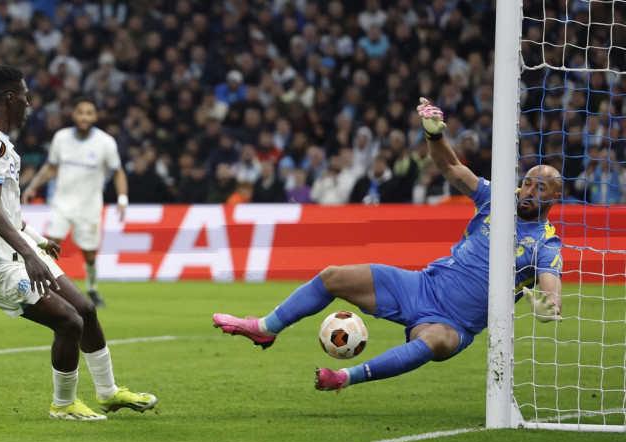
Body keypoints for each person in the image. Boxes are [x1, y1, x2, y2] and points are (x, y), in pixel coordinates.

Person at [213, 98, 564, 393]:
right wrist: (433, 134)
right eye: (528, 183)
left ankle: (343, 378)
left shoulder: (545, 244)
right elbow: (451, 166)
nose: (530, 191)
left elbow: (552, 287)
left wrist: (549, 305)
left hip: (455, 322)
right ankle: (265, 329)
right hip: (422, 285)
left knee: (434, 342)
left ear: (555, 198)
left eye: (540, 189)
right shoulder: (496, 200)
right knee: (334, 275)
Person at [0, 65, 155, 420]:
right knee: (69, 322)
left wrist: (37, 240)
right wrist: (30, 254)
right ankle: (63, 406)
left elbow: (6, 209)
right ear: (10, 98)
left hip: (16, 247)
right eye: (26, 98)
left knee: (86, 310)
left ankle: (108, 393)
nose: (29, 106)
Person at [22, 96, 128, 308]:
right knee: (49, 246)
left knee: (89, 255)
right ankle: (45, 289)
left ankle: (92, 288)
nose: (84, 117)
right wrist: (33, 186)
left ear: (95, 116)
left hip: (89, 207)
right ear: (74, 115)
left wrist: (122, 199)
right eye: (81, 112)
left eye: (89, 113)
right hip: (62, 203)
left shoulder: (105, 142)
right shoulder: (61, 138)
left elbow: (118, 172)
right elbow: (51, 167)